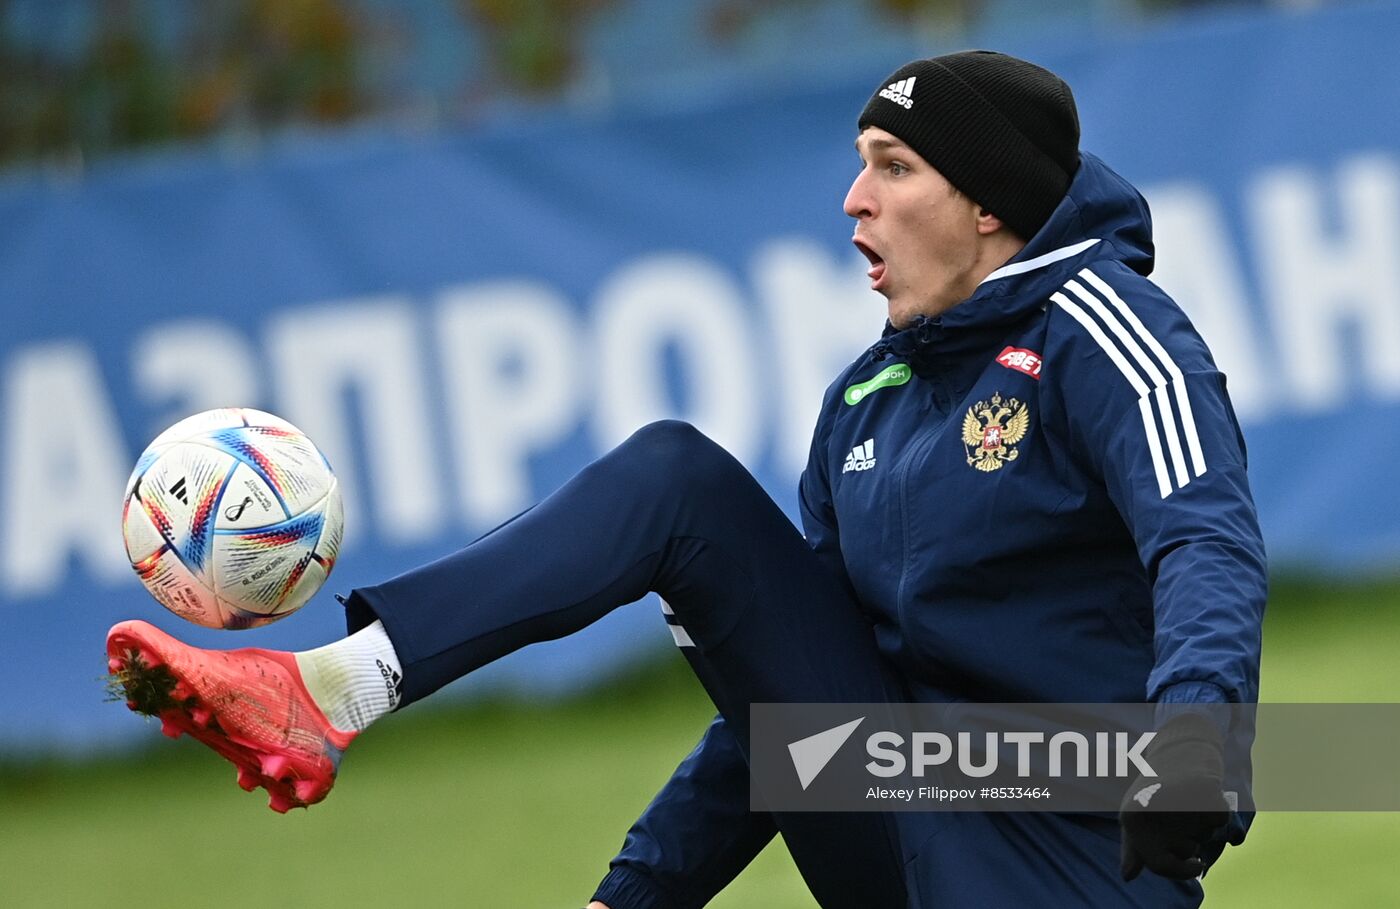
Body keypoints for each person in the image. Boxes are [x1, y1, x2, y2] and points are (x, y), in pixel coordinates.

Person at [106, 51, 1265, 908]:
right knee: (680, 489)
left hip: (1062, 861)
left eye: (891, 168)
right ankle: (330, 692)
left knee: (678, 483)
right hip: (901, 832)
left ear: (986, 206)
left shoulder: (1103, 330)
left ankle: (326, 693)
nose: (852, 201)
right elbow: (785, 713)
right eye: (857, 166)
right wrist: (633, 898)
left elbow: (1202, 538)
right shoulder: (867, 401)